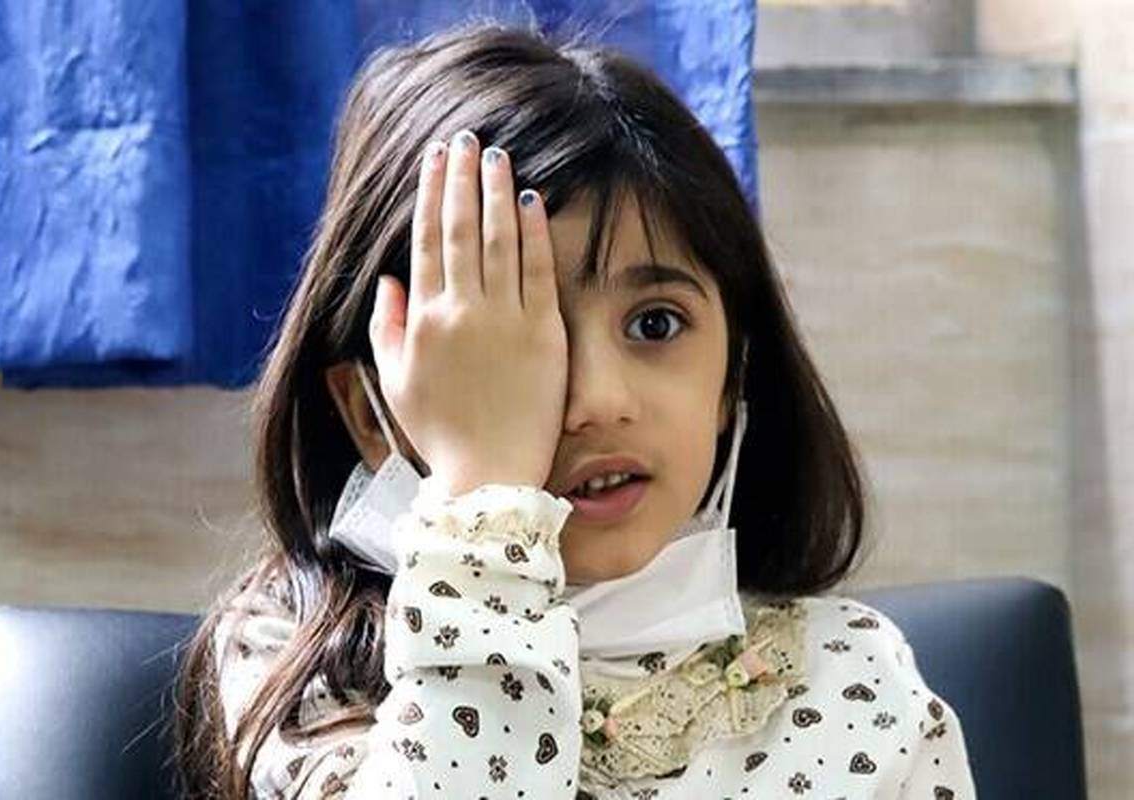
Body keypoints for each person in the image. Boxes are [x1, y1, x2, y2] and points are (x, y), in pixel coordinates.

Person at [172, 18, 977, 800]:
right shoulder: (295, 668)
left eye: (655, 324)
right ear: (371, 411)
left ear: (735, 373)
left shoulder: (854, 679)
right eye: (519, 341)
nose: (600, 401)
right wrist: (486, 501)